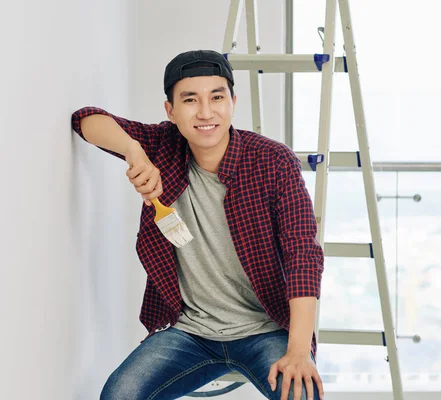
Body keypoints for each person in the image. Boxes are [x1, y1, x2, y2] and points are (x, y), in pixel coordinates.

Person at [72, 49, 325, 400]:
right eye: (190, 100)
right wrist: (132, 150)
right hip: (190, 332)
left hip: (265, 328)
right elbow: (85, 120)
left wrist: (299, 350)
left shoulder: (273, 161)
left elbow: (302, 255)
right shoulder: (162, 146)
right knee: (119, 395)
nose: (206, 112)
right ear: (170, 111)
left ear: (233, 102)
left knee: (301, 394)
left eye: (217, 97)